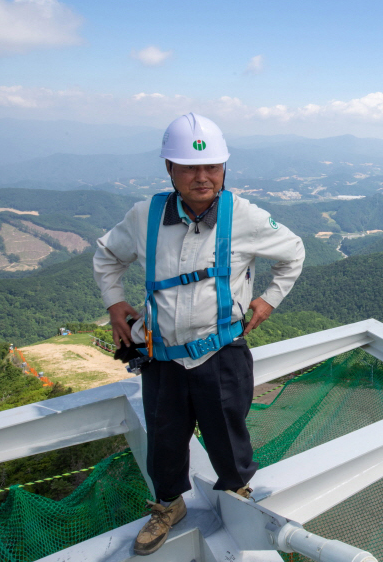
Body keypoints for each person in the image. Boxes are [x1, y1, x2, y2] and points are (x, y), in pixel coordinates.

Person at [93, 113, 305, 556]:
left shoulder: (243, 216)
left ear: (226, 168)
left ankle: (238, 492)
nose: (202, 177)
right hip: (164, 355)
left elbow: (293, 252)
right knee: (165, 437)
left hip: (222, 350)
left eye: (212, 167)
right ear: (169, 169)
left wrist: (267, 301)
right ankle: (168, 507)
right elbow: (108, 255)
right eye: (189, 167)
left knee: (228, 431)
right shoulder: (144, 216)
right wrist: (115, 302)